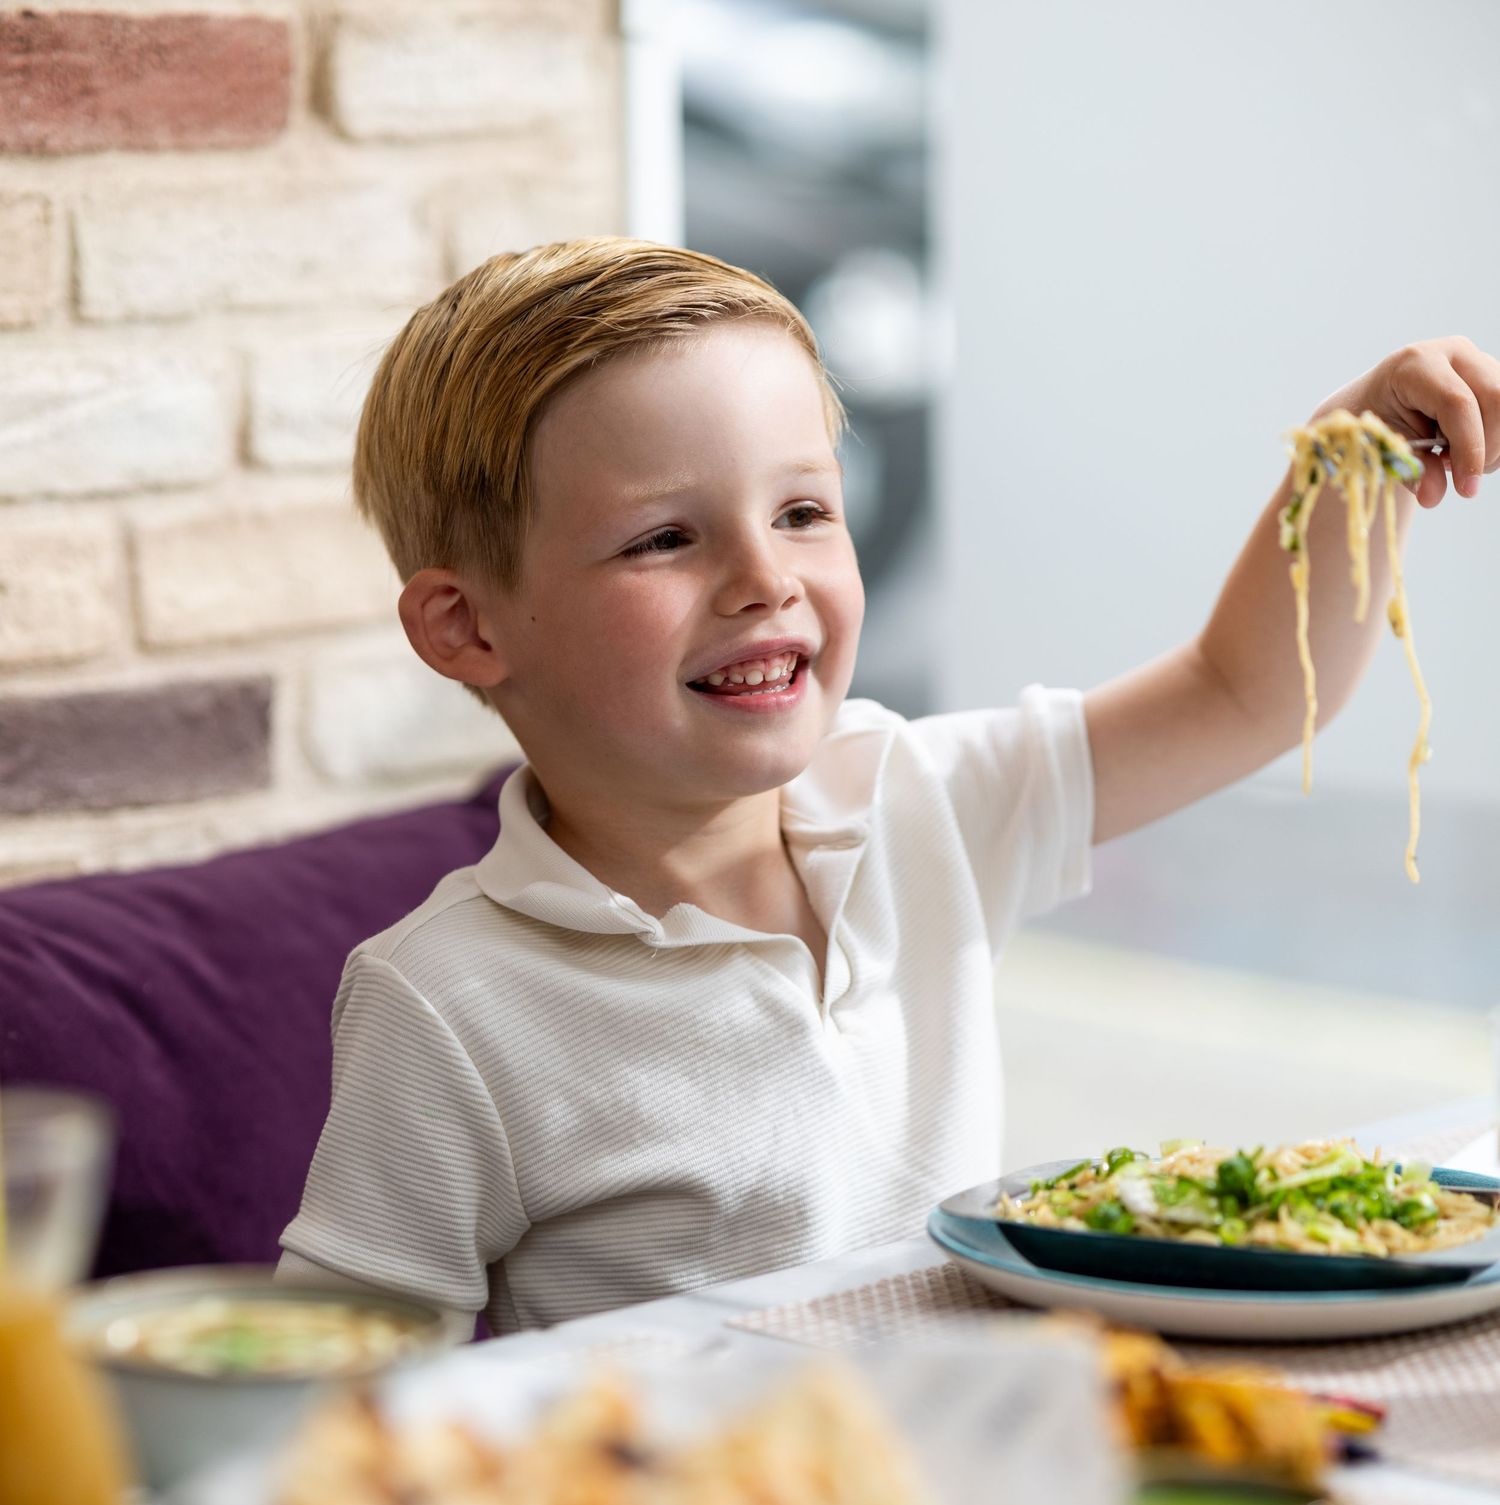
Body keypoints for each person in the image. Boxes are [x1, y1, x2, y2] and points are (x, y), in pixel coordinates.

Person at [278, 238, 1499, 1332]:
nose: (769, 578)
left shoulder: (917, 799)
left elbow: (1251, 694)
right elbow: (334, 1394)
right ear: (468, 627)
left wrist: (1351, 459)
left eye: (803, 510)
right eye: (666, 537)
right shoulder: (444, 999)